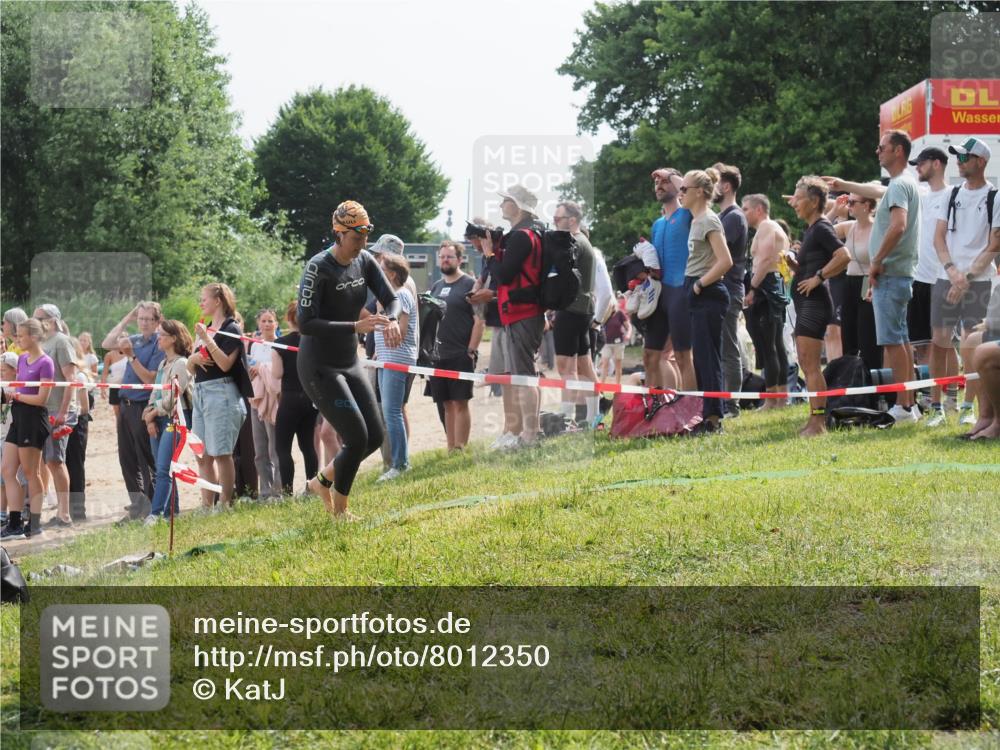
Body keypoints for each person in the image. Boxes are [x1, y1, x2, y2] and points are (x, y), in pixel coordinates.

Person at [297, 200, 401, 519]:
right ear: (339, 234)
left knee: (374, 435)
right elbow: (306, 323)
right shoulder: (318, 267)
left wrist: (393, 320)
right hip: (319, 366)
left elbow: (391, 299)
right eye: (356, 239)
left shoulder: (365, 260)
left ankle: (322, 482)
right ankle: (340, 513)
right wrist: (356, 326)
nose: (362, 245)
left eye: (365, 238)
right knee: (355, 437)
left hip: (348, 360)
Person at [825, 129, 922, 425]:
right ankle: (908, 405)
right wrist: (841, 184)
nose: (877, 152)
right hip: (898, 274)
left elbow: (898, 226)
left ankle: (904, 407)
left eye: (882, 148)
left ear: (898, 151)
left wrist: (877, 260)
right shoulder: (904, 183)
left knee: (893, 342)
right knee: (900, 341)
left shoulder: (898, 186)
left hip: (891, 273)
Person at [928, 138, 999, 428]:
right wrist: (951, 271)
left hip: (979, 281)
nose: (959, 161)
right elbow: (938, 237)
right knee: (939, 341)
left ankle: (970, 407)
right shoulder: (952, 193)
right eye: (957, 157)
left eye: (965, 157)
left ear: (981, 161)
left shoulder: (994, 196)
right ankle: (938, 406)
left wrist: (966, 278)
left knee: (971, 342)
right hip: (947, 276)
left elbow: (995, 243)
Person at [481, 185, 547, 449]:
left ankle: (530, 435)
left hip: (523, 311)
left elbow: (504, 275)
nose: (501, 206)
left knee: (524, 375)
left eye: (505, 201)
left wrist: (489, 253)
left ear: (518, 206)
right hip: (522, 311)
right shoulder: (526, 234)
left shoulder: (522, 236)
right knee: (524, 373)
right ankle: (531, 431)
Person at [789, 176, 851, 436]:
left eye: (798, 197)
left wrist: (819, 277)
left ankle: (819, 423)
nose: (793, 203)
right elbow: (813, 263)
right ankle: (813, 420)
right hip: (806, 302)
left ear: (814, 201)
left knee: (811, 365)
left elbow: (844, 256)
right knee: (806, 362)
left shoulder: (823, 227)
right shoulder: (811, 229)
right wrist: (796, 266)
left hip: (815, 304)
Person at [677, 169, 734, 433]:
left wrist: (699, 285)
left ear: (699, 192)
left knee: (708, 358)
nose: (680, 194)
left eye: (684, 189)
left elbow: (726, 261)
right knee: (701, 358)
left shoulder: (709, 220)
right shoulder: (696, 219)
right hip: (697, 290)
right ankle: (706, 414)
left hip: (708, 291)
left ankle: (713, 419)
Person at [101, 302, 165, 521]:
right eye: (141, 318)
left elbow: (150, 378)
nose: (144, 323)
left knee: (145, 459)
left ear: (158, 322)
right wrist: (128, 318)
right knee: (126, 459)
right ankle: (137, 506)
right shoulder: (134, 339)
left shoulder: (159, 343)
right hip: (125, 405)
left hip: (142, 406)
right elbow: (107, 343)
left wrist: (131, 357)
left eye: (149, 319)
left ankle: (151, 508)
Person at [188, 284, 247, 510]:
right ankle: (206, 505)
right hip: (200, 394)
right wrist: (192, 360)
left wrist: (208, 340)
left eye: (204, 299)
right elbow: (191, 368)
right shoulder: (205, 328)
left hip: (222, 393)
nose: (201, 303)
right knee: (202, 455)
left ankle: (225, 504)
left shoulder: (231, 329)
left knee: (222, 453)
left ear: (218, 301)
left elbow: (224, 364)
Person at [910, 146, 958, 413]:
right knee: (923, 345)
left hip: (943, 277)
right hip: (920, 277)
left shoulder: (953, 195)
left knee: (945, 342)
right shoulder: (920, 194)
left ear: (937, 164)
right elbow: (882, 192)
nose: (917, 167)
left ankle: (951, 397)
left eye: (921, 163)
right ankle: (931, 396)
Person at [466, 219, 519, 447]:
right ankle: (508, 429)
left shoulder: (504, 251)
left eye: (475, 241)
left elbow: (510, 286)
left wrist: (490, 295)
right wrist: (476, 289)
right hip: (498, 322)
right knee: (504, 380)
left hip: (513, 320)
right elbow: (485, 278)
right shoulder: (485, 256)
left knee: (512, 378)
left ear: (485, 236)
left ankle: (517, 431)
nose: (474, 247)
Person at [1, 319, 54, 539]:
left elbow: (42, 398)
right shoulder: (22, 359)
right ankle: (14, 522)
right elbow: (19, 388)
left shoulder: (46, 362)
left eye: (21, 336)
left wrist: (17, 396)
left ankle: (34, 522)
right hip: (19, 416)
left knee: (32, 472)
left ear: (33, 336)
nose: (18, 340)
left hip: (33, 419)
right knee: (7, 469)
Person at [428, 240, 483, 451]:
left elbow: (479, 321)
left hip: (460, 354)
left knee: (460, 402)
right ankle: (451, 448)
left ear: (460, 260)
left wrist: (471, 350)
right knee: (445, 404)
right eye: (442, 256)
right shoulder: (436, 287)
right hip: (437, 356)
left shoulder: (470, 285)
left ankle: (461, 448)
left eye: (449, 256)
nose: (445, 260)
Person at [645, 168, 695, 391]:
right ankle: (656, 410)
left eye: (664, 181)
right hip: (659, 295)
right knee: (651, 356)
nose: (659, 184)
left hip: (680, 291)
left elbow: (689, 188)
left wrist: (670, 174)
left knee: (683, 356)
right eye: (656, 182)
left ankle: (692, 412)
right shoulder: (657, 224)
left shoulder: (688, 214)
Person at [552, 200, 600, 427]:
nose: (554, 223)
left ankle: (566, 418)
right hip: (583, 310)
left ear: (572, 220)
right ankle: (593, 417)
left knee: (565, 367)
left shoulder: (574, 242)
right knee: (584, 366)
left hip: (571, 310)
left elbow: (560, 277)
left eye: (557, 219)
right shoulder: (584, 242)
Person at [142, 319, 193, 524]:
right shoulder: (163, 364)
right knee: (163, 468)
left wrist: (153, 413)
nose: (158, 338)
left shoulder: (181, 363)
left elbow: (173, 397)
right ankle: (173, 514)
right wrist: (149, 415)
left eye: (162, 334)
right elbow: (156, 392)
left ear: (173, 338)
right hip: (160, 418)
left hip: (176, 419)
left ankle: (155, 515)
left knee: (163, 468)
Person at [33, 305, 79, 529]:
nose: (35, 320)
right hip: (43, 408)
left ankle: (65, 514)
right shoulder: (43, 343)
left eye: (38, 318)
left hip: (58, 410)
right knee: (45, 461)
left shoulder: (61, 341)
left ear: (51, 320)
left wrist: (63, 411)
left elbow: (70, 378)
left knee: (55, 460)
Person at [741, 194, 790, 405]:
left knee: (769, 344)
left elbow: (766, 259)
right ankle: (780, 396)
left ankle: (773, 398)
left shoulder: (767, 228)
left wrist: (752, 288)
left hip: (767, 287)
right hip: (771, 285)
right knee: (774, 344)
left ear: (758, 209)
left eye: (745, 209)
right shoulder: (768, 228)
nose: (743, 213)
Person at [374, 253, 418, 479]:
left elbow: (399, 330)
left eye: (381, 269)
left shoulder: (401, 295)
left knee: (391, 412)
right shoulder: (389, 296)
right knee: (389, 411)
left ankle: (400, 464)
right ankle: (398, 462)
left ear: (391, 273)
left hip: (397, 359)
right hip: (385, 359)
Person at [712, 163, 749, 417]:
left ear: (725, 186)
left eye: (713, 182)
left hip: (729, 289)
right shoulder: (724, 216)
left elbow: (717, 253)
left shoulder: (733, 217)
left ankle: (731, 405)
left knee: (728, 348)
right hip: (721, 289)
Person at [831, 190, 883, 371]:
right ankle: (850, 377)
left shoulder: (878, 227)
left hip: (867, 281)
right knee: (848, 332)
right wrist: (834, 212)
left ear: (867, 205)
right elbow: (819, 231)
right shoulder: (849, 226)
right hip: (850, 281)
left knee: (867, 333)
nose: (849, 206)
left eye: (853, 202)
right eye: (849, 202)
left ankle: (871, 378)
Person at [273, 301, 318, 495]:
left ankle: (287, 492)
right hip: (310, 398)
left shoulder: (280, 343)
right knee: (308, 446)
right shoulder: (315, 341)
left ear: (289, 319)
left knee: (283, 448)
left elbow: (277, 373)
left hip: (290, 399)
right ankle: (313, 488)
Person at [247, 308, 282, 498]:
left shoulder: (280, 345)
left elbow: (277, 375)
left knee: (274, 448)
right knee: (259, 450)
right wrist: (254, 371)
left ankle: (278, 492)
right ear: (258, 324)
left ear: (276, 324)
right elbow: (252, 367)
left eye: (270, 321)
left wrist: (262, 368)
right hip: (256, 399)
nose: (267, 324)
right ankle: (265, 491)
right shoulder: (254, 346)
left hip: (273, 401)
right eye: (264, 321)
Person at [599, 299, 631, 385]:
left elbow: (629, 326)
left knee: (618, 365)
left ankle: (617, 386)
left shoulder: (620, 313)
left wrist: (628, 334)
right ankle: (601, 385)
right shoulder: (604, 314)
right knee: (605, 364)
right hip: (607, 343)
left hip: (619, 343)